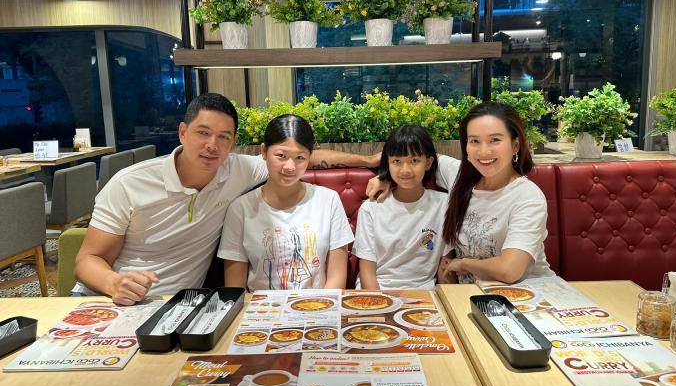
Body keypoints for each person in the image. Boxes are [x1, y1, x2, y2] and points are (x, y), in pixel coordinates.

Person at [74, 94, 376, 305]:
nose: (212, 145)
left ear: (233, 143)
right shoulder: (129, 183)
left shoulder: (238, 170)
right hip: (108, 298)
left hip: (182, 304)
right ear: (182, 132)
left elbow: (299, 156)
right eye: (203, 133)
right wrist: (114, 283)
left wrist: (377, 166)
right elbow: (87, 260)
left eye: (224, 137)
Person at [218, 114, 353, 291]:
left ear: (310, 157)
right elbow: (235, 288)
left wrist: (321, 306)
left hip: (318, 304)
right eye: (281, 155)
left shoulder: (328, 201)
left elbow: (336, 279)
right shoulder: (240, 209)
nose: (290, 167)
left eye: (300, 158)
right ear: (264, 151)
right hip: (261, 307)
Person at [438, 102, 554, 284]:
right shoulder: (460, 177)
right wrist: (388, 180)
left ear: (515, 145)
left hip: (528, 293)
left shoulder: (527, 197)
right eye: (474, 141)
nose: (484, 151)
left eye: (495, 140)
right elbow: (420, 159)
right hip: (473, 295)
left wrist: (463, 263)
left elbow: (509, 271)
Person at [353, 124, 449, 290]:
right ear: (388, 163)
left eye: (414, 161)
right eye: (397, 161)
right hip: (378, 290)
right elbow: (367, 272)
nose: (405, 170)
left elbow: (445, 264)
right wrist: (379, 303)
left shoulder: (443, 204)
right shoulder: (371, 208)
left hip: (424, 293)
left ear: (428, 163)